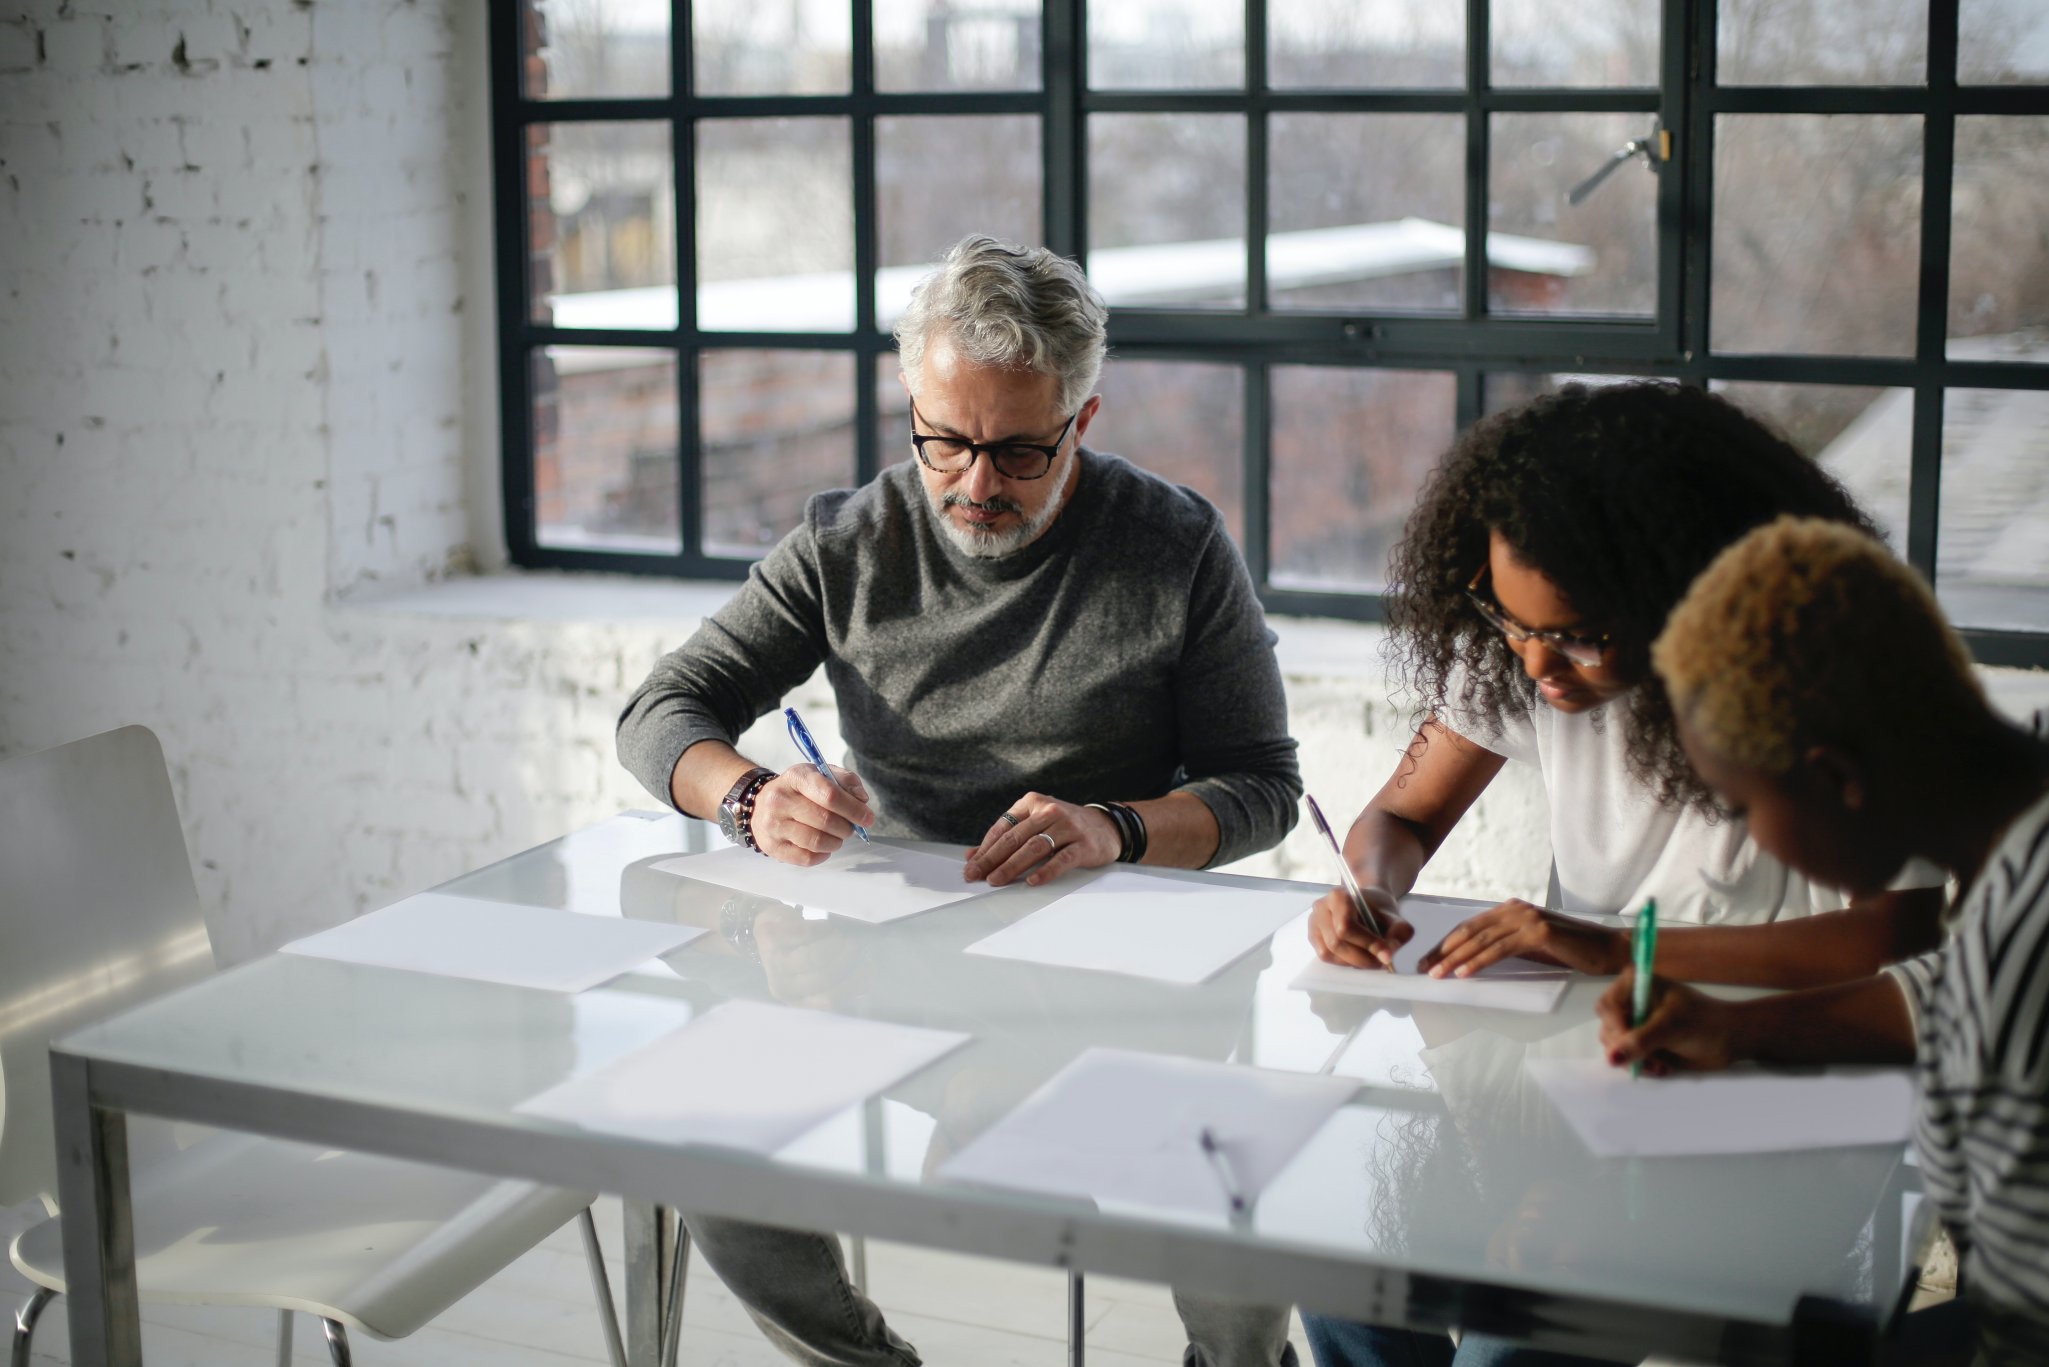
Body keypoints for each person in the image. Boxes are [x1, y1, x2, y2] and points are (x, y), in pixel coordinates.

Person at [617, 234, 1305, 1367]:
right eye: (947, 441)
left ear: (1082, 420)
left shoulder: (1174, 543)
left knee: (1235, 1190)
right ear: (911, 404)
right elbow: (663, 708)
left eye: (1022, 452)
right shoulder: (849, 541)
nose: (977, 484)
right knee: (699, 1135)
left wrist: (1117, 826)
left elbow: (1265, 788)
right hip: (889, 958)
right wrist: (748, 799)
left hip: (1121, 968)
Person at [1299, 383, 1944, 1367]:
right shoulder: (1528, 642)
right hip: (1592, 1068)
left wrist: (1611, 947)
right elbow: (1399, 814)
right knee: (1351, 1279)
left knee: (1511, 1353)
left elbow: (1903, 946)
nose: (1537, 667)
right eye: (1510, 622)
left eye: (1578, 634)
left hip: (1784, 1092)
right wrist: (1374, 892)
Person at [1599, 516, 2049, 1366]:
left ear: (1836, 779)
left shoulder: (2029, 937)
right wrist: (1734, 1028)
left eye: (1741, 808)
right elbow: (1945, 989)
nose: (1754, 843)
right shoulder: (2017, 839)